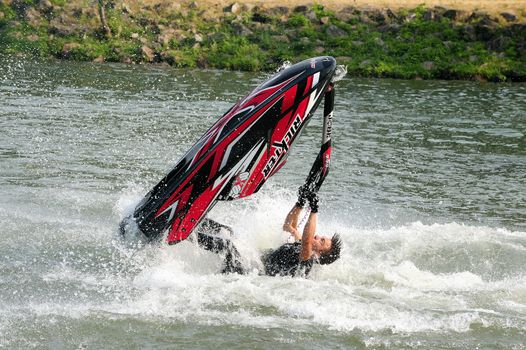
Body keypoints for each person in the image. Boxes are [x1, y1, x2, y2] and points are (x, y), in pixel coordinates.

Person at [193, 186, 342, 277]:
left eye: (322, 241)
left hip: (249, 273)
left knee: (228, 246)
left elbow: (308, 240)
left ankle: (184, 234)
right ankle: (193, 220)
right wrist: (300, 202)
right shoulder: (301, 246)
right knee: (228, 231)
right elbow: (289, 226)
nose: (319, 236)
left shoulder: (306, 261)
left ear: (319, 254)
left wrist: (314, 210)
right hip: (252, 263)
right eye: (322, 237)